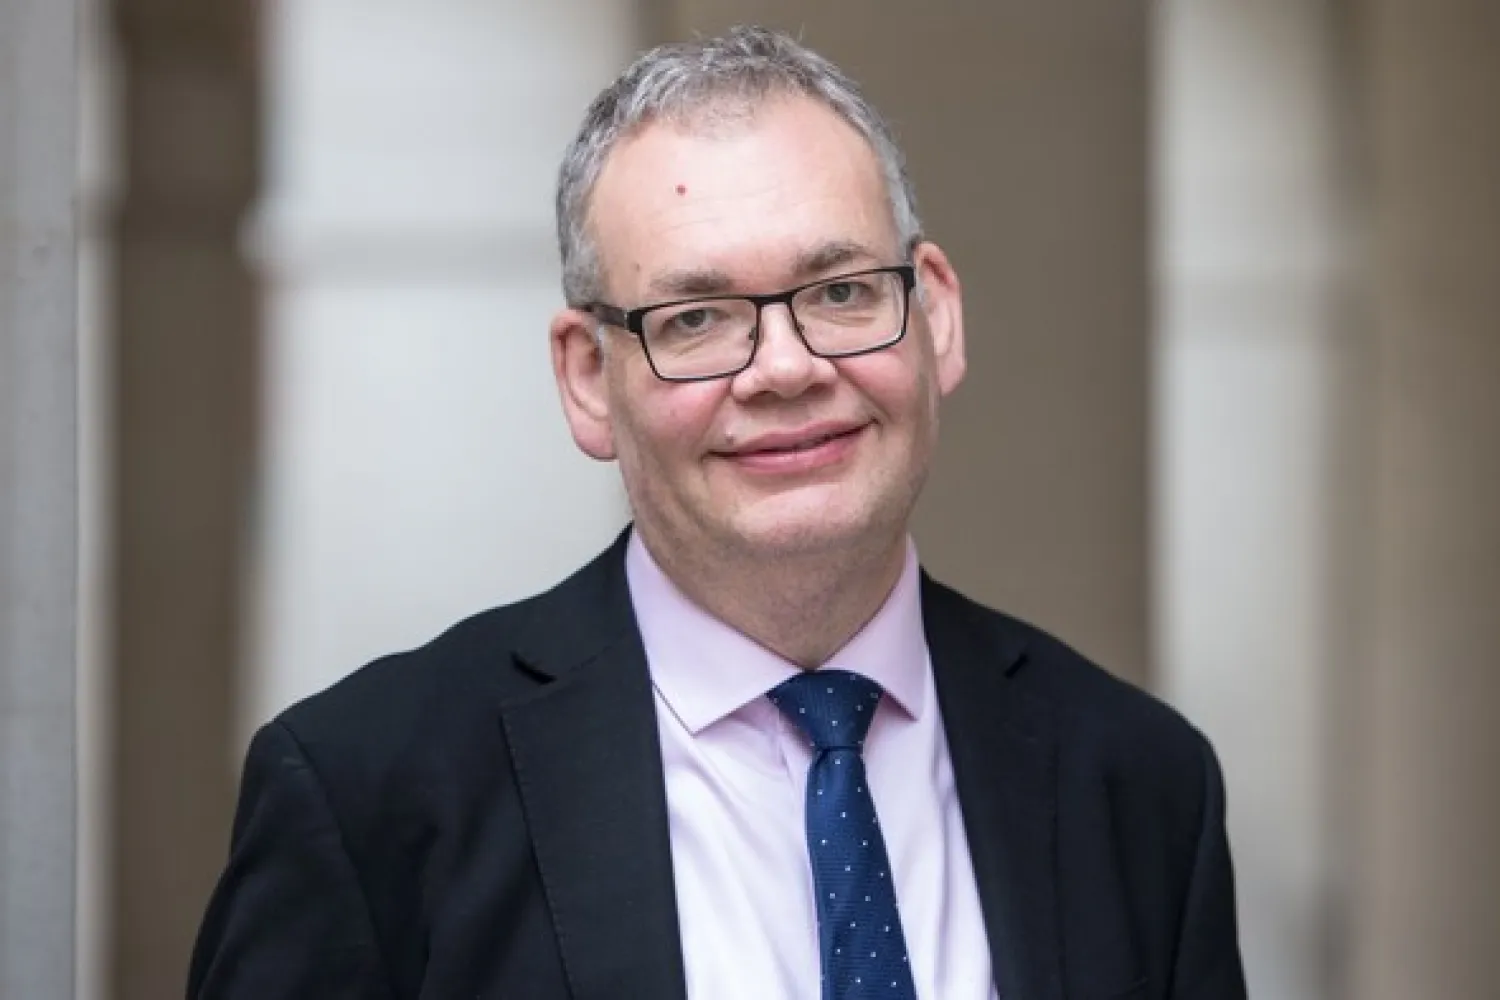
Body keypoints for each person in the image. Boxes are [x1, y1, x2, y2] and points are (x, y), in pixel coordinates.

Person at [188, 25, 1246, 1000]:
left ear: (938, 317)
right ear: (588, 379)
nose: (785, 369)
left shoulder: (1139, 783)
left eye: (839, 293)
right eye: (695, 318)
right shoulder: (370, 796)